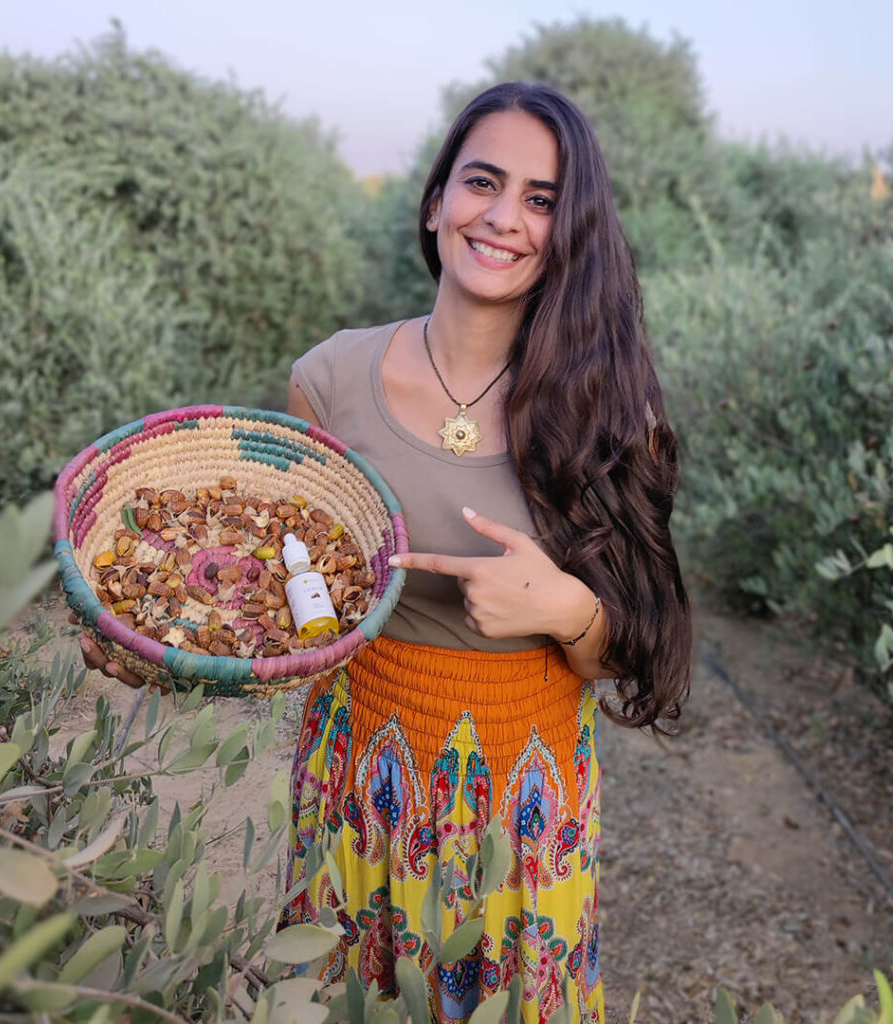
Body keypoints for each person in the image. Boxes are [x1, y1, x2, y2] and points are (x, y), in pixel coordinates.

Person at [80, 81, 690, 1024]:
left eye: (541, 199)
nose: (503, 217)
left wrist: (563, 610)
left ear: (572, 231)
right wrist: (163, 646)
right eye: (482, 181)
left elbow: (634, 655)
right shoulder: (328, 378)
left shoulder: (609, 409)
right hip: (355, 781)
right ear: (434, 200)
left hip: (524, 807)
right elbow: (292, 606)